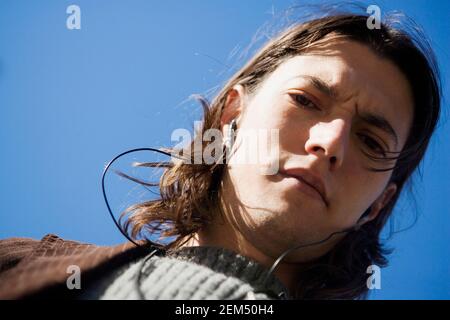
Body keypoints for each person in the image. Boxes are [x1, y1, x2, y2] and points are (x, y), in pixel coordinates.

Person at [0, 10, 441, 300]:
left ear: (379, 204)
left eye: (370, 141)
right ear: (233, 111)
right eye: (306, 100)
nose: (329, 143)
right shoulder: (16, 265)